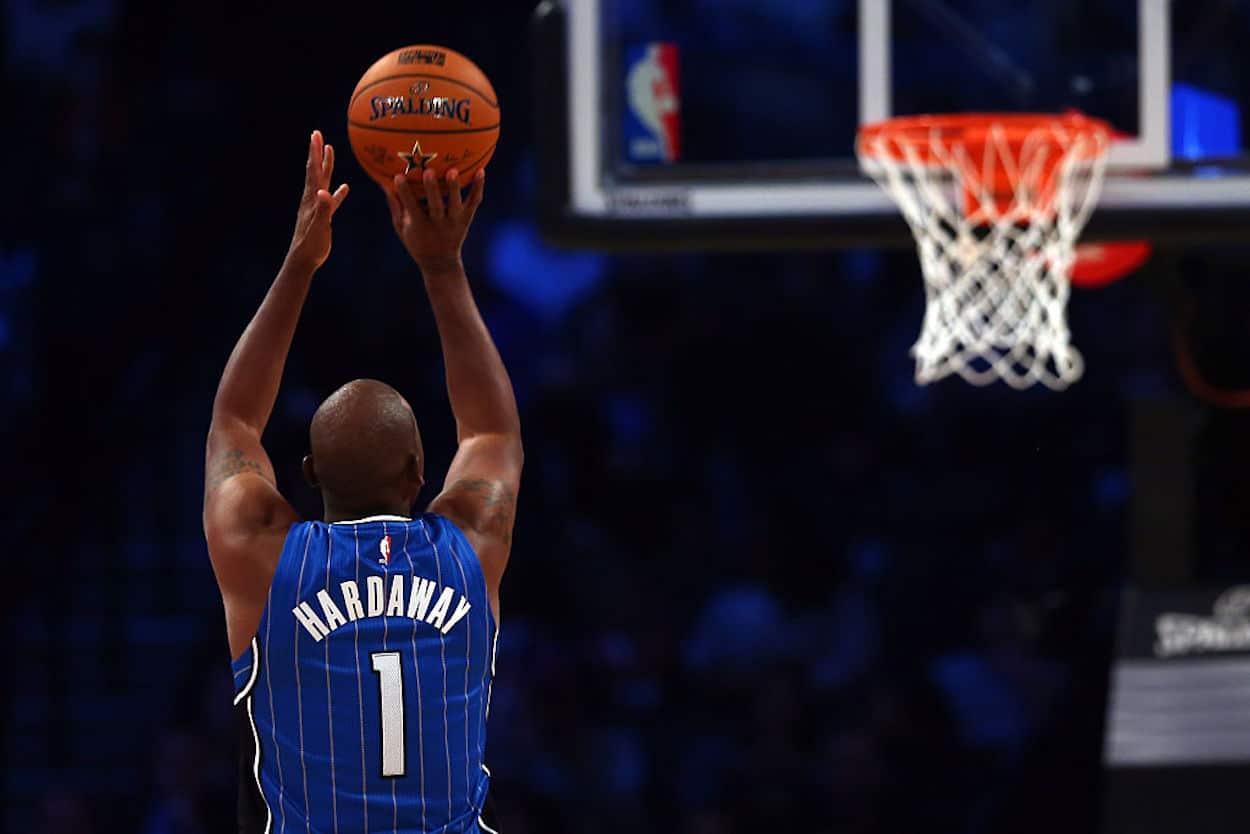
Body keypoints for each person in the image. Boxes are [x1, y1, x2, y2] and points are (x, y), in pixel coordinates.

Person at [202, 130, 522, 834]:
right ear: (420, 473)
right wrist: (442, 266)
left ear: (307, 475)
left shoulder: (264, 557)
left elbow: (234, 421)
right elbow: (491, 434)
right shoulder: (471, 546)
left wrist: (299, 263)